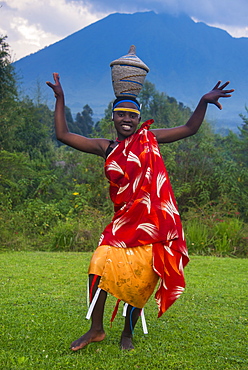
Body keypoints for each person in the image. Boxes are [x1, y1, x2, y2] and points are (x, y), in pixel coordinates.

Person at [46, 73, 234, 351]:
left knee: (143, 278)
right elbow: (63, 135)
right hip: (122, 226)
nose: (126, 119)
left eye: (131, 116)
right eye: (120, 114)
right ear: (112, 118)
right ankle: (96, 329)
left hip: (153, 225)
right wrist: (61, 98)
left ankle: (127, 335)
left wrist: (203, 102)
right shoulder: (106, 147)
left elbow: (189, 128)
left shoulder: (150, 139)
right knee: (98, 264)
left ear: (138, 119)